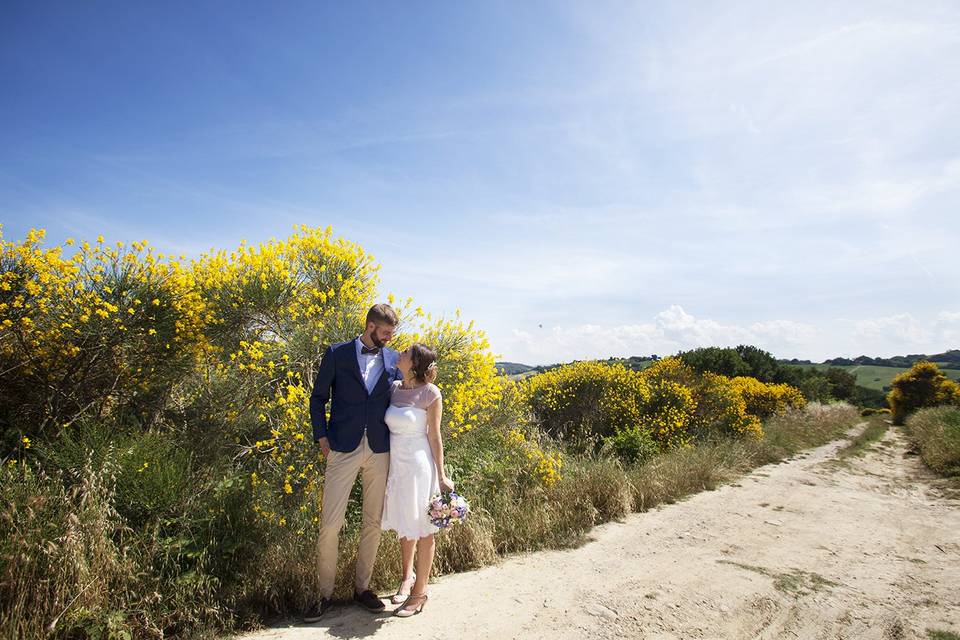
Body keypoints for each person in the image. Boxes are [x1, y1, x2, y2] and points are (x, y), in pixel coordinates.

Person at [303, 303, 402, 622]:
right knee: (330, 524)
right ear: (370, 327)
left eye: (392, 333)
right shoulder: (337, 353)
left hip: (379, 449)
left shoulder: (393, 358)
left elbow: (404, 394)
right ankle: (324, 595)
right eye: (386, 332)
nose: (390, 337)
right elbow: (317, 399)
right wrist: (322, 437)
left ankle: (362, 589)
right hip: (341, 448)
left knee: (372, 522)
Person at [380, 342, 454, 617]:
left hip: (420, 465)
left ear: (414, 364)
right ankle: (406, 578)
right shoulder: (394, 389)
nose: (400, 353)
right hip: (398, 467)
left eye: (406, 353)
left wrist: (443, 475)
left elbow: (435, 436)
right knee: (404, 523)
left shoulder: (431, 393)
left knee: (424, 528)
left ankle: (420, 593)